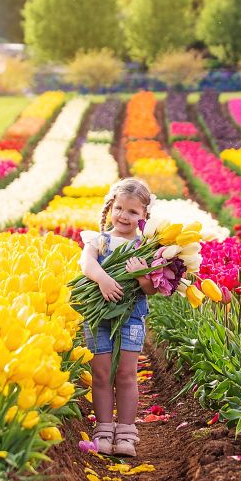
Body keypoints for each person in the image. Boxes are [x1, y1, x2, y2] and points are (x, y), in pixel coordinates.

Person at [80, 178, 157, 457]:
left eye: (133, 212)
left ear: (144, 216)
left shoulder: (145, 248)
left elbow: (150, 289)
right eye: (120, 208)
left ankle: (125, 433)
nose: (124, 216)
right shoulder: (99, 241)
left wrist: (141, 274)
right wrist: (102, 279)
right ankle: (103, 429)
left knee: (125, 374)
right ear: (111, 208)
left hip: (130, 318)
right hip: (98, 316)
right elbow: (86, 263)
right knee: (101, 374)